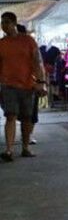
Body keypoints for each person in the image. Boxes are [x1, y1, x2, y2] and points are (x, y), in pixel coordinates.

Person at [0, 13, 46, 161]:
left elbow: (37, 62)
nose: (3, 25)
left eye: (6, 22)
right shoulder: (1, 43)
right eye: (2, 23)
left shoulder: (28, 41)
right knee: (10, 116)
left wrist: (41, 82)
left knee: (26, 118)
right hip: (8, 86)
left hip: (27, 85)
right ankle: (9, 150)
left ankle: (25, 147)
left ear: (14, 23)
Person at [16, 25, 42, 146]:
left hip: (30, 84)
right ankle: (26, 136)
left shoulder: (31, 45)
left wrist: (40, 82)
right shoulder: (7, 45)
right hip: (13, 84)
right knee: (15, 114)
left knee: (30, 113)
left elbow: (39, 65)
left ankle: (27, 136)